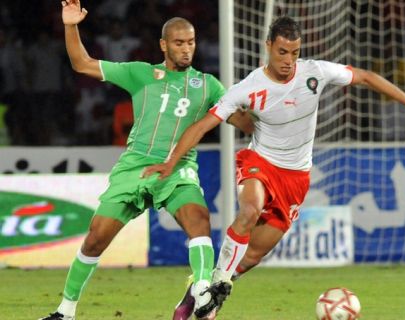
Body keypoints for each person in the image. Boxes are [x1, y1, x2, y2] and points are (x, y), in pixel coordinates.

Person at [142, 16, 405, 316]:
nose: (289, 60)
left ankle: (204, 292)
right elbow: (203, 124)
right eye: (282, 52)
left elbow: (366, 77)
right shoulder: (248, 87)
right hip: (260, 162)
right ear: (268, 46)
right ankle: (218, 280)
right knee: (249, 211)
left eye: (294, 52)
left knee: (253, 255)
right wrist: (171, 162)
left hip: (296, 177)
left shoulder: (314, 72)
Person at [39, 1, 254, 320]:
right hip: (135, 168)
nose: (186, 49)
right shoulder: (140, 73)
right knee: (96, 238)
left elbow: (245, 123)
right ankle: (65, 311)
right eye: (179, 43)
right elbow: (82, 64)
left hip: (178, 171)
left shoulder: (209, 85)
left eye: (191, 42)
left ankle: (201, 289)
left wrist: (269, 104)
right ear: (164, 45)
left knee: (199, 219)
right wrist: (71, 25)